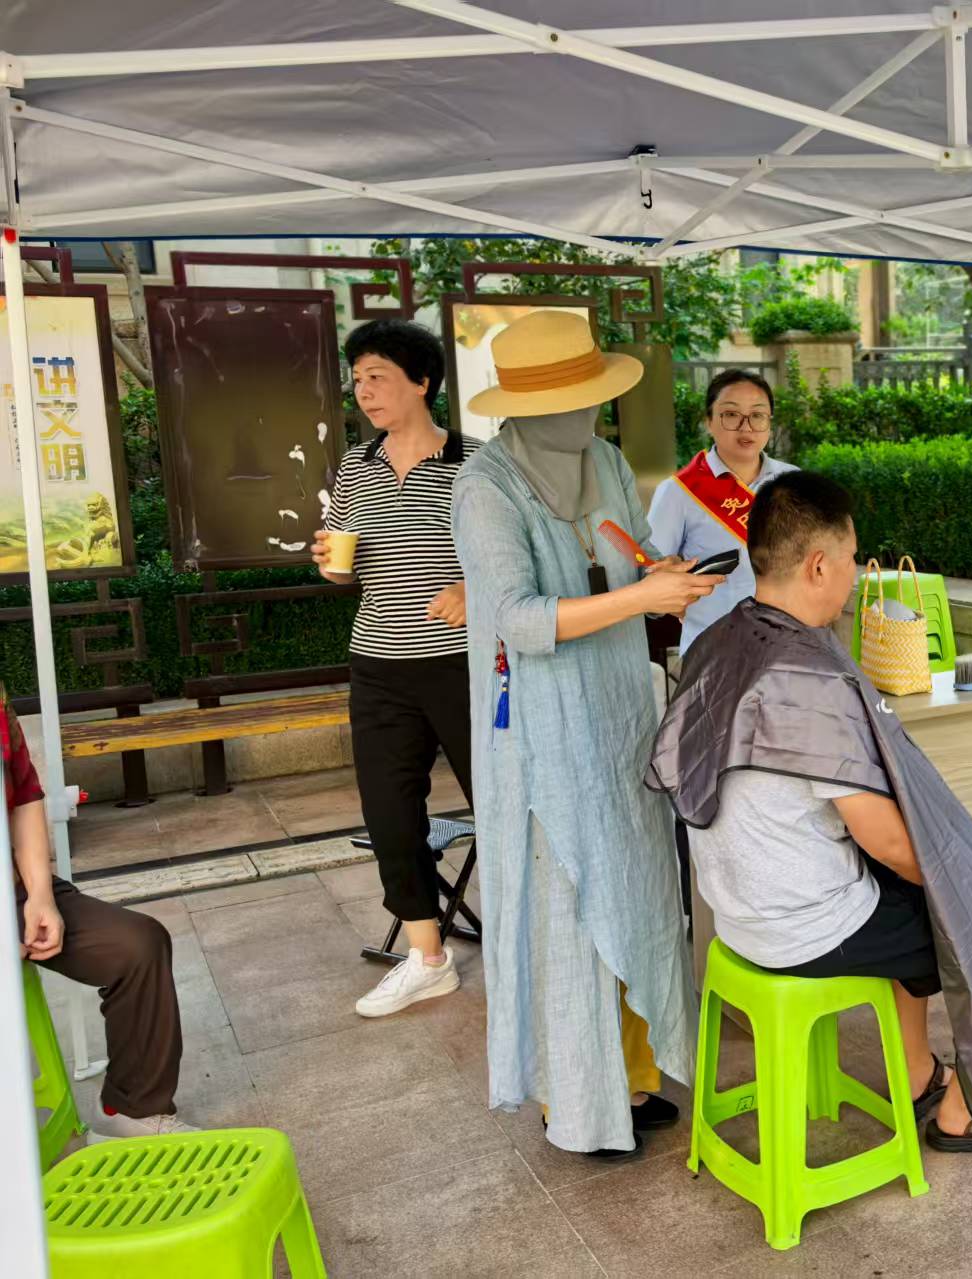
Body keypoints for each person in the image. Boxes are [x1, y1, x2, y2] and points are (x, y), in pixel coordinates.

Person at [649, 471, 972, 1155]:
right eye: (852, 558)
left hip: (733, 908)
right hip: (798, 923)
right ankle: (971, 1110)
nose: (855, 575)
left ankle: (915, 1073)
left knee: (909, 896)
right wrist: (962, 884)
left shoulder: (720, 640)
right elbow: (882, 836)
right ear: (818, 565)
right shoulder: (805, 676)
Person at [451, 308, 723, 1157]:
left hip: (618, 709)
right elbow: (519, 618)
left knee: (637, 893)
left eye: (591, 398)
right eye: (572, 403)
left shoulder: (602, 459)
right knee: (566, 906)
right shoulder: (485, 488)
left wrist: (655, 568)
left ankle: (634, 1077)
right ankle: (573, 1098)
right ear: (526, 409)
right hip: (542, 731)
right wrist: (642, 596)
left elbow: (624, 547)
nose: (588, 416)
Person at [314, 318, 479, 1018]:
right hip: (378, 663)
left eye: (377, 376)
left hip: (464, 664)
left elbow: (517, 554)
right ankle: (427, 957)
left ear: (422, 382)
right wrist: (328, 564)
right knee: (389, 812)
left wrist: (473, 585)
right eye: (357, 380)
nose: (364, 391)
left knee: (500, 803)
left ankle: (530, 932)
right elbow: (345, 568)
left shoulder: (477, 463)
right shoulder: (355, 466)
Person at [6, 685, 197, 1140]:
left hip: (14, 892)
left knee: (137, 944)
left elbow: (25, 794)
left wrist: (40, 895)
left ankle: (131, 1108)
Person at [646, 369, 797, 653]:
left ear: (769, 422)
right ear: (708, 422)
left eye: (757, 415)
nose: (746, 427)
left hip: (786, 645)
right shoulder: (678, 492)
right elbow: (650, 580)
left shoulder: (794, 482)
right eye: (731, 414)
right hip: (714, 651)